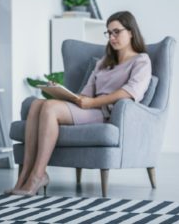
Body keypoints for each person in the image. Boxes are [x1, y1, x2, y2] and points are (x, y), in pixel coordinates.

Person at [9, 11, 152, 196]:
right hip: (89, 107)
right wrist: (62, 92)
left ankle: (38, 175)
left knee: (50, 108)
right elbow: (85, 94)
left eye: (117, 32)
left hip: (104, 112)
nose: (112, 37)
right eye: (109, 33)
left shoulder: (141, 60)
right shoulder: (103, 62)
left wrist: (92, 102)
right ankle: (24, 178)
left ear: (131, 32)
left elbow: (130, 92)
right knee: (37, 104)